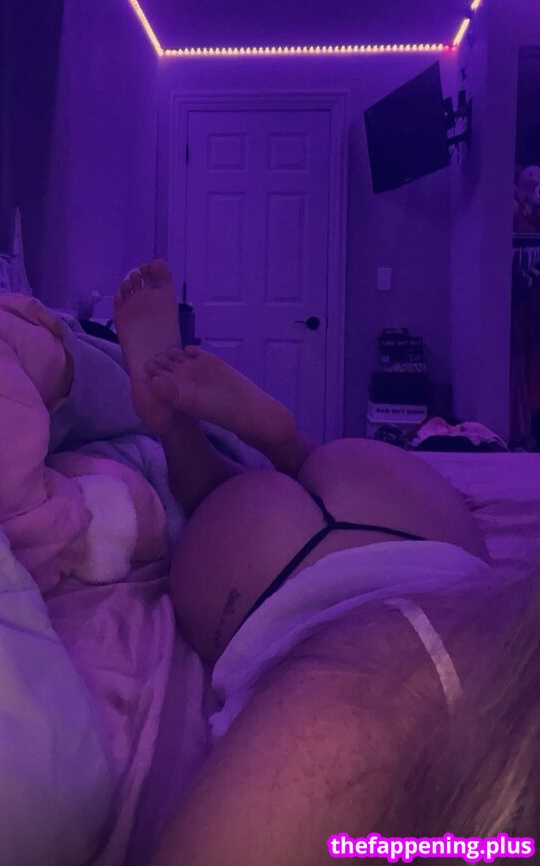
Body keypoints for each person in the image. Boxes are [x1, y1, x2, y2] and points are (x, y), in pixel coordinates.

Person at [113, 261, 519, 865]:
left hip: (420, 540)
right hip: (281, 589)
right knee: (222, 502)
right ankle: (184, 430)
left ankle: (278, 443)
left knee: (293, 478)